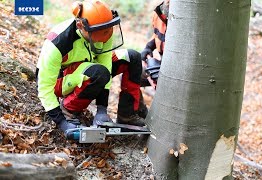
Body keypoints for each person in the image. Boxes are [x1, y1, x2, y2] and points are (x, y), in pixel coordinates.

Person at [36, 0, 147, 135]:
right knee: (98, 72)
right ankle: (68, 109)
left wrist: (102, 108)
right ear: (80, 26)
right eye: (99, 33)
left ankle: (127, 114)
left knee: (132, 57)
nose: (104, 36)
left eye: (107, 30)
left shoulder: (104, 30)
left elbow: (106, 63)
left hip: (91, 66)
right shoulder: (57, 43)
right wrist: (61, 122)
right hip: (60, 79)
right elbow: (44, 88)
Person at [140, 0, 170, 88]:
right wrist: (149, 47)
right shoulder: (159, 12)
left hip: (177, 72)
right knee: (132, 72)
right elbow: (158, 34)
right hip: (162, 63)